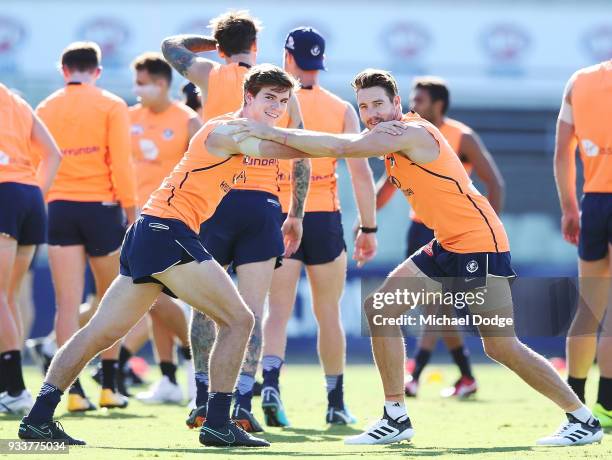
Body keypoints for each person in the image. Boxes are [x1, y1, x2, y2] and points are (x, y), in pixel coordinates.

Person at [227, 68, 604, 446]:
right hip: (448, 243)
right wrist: (367, 228)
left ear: (397, 103)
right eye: (364, 107)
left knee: (500, 344)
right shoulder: (388, 139)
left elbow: (341, 149)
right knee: (381, 308)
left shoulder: (409, 132)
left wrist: (270, 133)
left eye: (378, 103)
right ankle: (396, 415)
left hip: (478, 243)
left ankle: (581, 419)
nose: (372, 113)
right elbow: (351, 153)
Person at [18, 63, 314, 447]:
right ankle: (218, 422)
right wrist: (362, 143)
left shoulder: (239, 130)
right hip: (166, 231)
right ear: (248, 98)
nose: (276, 106)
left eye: (283, 100)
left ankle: (38, 418)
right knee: (239, 320)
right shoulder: (230, 129)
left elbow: (293, 144)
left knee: (100, 333)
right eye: (269, 98)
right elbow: (308, 146)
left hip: (152, 230)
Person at [162, 10, 306, 432]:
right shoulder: (277, 89)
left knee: (205, 307)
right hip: (263, 203)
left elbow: (171, 46)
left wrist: (216, 47)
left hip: (214, 198)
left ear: (221, 47)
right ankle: (241, 401)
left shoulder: (209, 72)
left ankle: (202, 396)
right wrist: (296, 213)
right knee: (251, 309)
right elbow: (300, 153)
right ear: (256, 47)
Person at [260, 27, 377, 428]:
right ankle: (335, 402)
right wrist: (369, 228)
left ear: (286, 57)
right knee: (329, 313)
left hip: (279, 213)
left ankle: (271, 387)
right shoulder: (340, 107)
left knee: (276, 312)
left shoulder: (272, 102)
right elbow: (361, 174)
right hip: (325, 215)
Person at [376, 76, 505, 399]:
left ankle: (417, 373)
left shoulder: (462, 136)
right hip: (421, 229)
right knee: (436, 306)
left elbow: (495, 183)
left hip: (461, 234)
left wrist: (486, 230)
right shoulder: (405, 135)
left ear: (438, 105)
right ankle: (464, 376)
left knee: (440, 307)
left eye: (420, 100)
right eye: (412, 99)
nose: (413, 105)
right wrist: (367, 222)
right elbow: (388, 184)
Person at [35, 42, 137, 412]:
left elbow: (39, 162)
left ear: (64, 70)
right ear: (97, 71)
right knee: (109, 303)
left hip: (59, 207)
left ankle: (72, 393)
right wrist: (131, 210)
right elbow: (121, 164)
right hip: (102, 207)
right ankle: (109, 387)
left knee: (66, 305)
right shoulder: (111, 104)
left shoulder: (46, 106)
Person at [127, 52, 201, 403]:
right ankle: (169, 378)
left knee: (166, 296)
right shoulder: (129, 118)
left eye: (141, 83)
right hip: (135, 220)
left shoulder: (187, 120)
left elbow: (201, 171)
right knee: (152, 297)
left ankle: (194, 356)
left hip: (175, 220)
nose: (136, 90)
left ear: (160, 84)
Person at [554, 59, 612, 427]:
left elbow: (563, 152)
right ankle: (607, 405)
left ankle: (575, 405)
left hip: (593, 202)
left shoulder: (579, 79)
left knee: (588, 309)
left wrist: (569, 208)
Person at [0, 84, 62, 414]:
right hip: (29, 197)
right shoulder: (18, 101)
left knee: (2, 299)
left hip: (5, 195)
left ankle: (14, 389)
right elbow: (53, 154)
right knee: (7, 299)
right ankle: (7, 388)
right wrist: (34, 194)